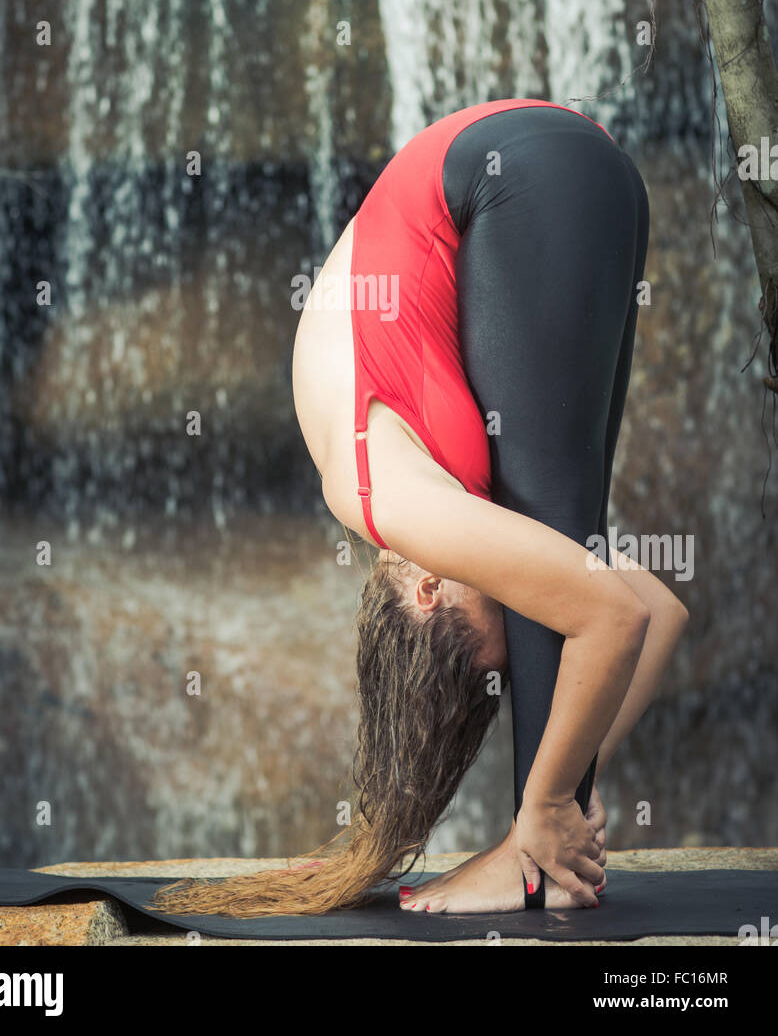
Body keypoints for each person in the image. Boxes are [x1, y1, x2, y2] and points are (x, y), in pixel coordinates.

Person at [151, 98, 688, 919]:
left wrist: (542, 808)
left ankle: (528, 858)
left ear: (429, 592)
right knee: (564, 547)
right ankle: (529, 848)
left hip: (515, 178)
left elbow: (607, 617)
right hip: (584, 167)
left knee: (569, 577)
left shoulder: (394, 502)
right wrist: (567, 778)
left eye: (498, 640)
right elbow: (658, 609)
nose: (524, 604)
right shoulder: (416, 493)